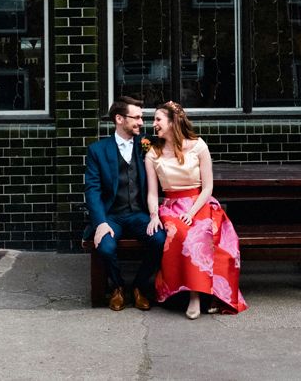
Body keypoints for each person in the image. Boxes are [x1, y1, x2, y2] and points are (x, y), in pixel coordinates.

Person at [145, 100, 248, 319]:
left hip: (200, 202)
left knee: (204, 234)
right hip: (171, 207)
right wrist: (154, 215)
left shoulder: (198, 146)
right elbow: (153, 192)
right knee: (183, 234)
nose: (153, 124)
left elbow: (208, 186)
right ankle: (193, 295)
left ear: (173, 122)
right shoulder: (152, 154)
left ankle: (202, 294)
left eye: (158, 119)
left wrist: (191, 212)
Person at [84, 96, 166, 312]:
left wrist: (154, 214)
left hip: (139, 214)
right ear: (119, 119)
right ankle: (118, 287)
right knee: (105, 246)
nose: (141, 122)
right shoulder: (97, 150)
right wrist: (100, 222)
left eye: (142, 117)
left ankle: (139, 286)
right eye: (136, 117)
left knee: (159, 240)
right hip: (112, 215)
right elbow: (92, 190)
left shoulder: (146, 144)